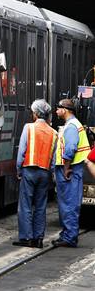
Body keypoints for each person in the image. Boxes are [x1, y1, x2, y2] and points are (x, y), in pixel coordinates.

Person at [13, 100, 57, 248]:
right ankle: (38, 238)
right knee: (40, 206)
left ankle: (26, 237)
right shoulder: (53, 133)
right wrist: (52, 175)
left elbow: (22, 151)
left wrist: (18, 169)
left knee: (25, 204)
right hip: (44, 173)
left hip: (29, 170)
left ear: (36, 113)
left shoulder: (29, 128)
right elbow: (54, 158)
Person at [53, 99, 90, 247]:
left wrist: (66, 167)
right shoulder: (73, 125)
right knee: (67, 203)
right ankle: (67, 234)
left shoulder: (72, 126)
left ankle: (69, 237)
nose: (56, 111)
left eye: (58, 108)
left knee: (69, 203)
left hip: (70, 170)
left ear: (66, 110)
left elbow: (70, 149)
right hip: (73, 169)